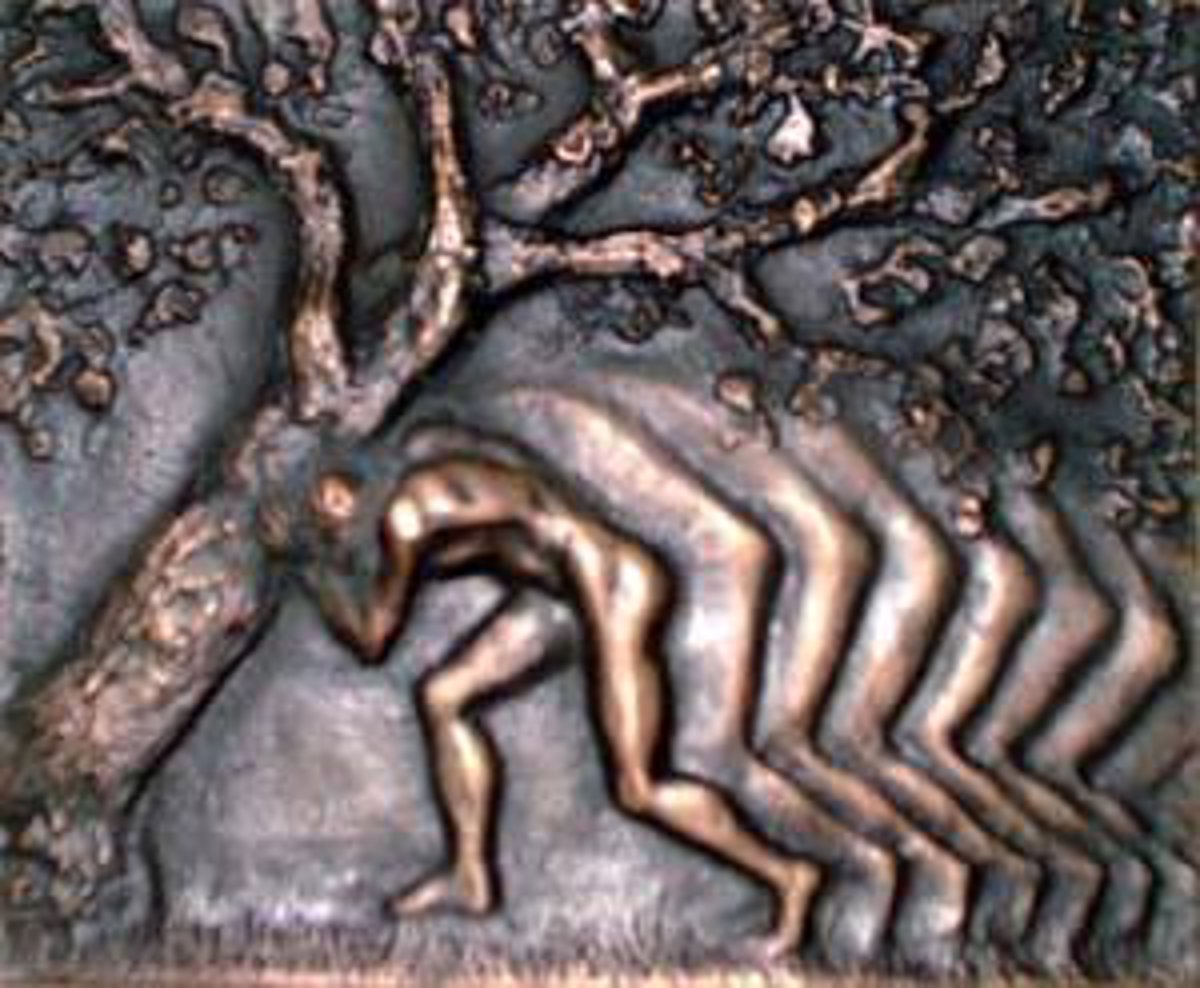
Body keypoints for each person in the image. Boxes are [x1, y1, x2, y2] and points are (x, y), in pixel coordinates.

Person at [304, 427, 819, 957]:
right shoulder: (427, 479)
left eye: (323, 516)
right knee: (444, 697)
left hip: (613, 583)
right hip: (558, 594)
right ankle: (469, 875)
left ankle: (787, 875)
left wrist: (312, 568)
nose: (332, 529)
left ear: (337, 493)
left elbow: (374, 639)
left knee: (639, 787)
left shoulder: (407, 517)